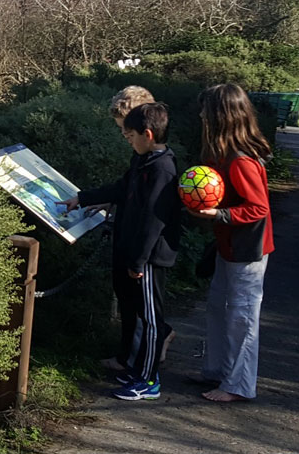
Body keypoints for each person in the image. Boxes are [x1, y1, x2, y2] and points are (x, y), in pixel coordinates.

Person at [61, 103, 182, 400]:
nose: (127, 141)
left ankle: (149, 381)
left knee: (152, 320)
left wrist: (139, 260)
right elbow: (120, 188)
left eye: (130, 137)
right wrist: (83, 197)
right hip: (135, 253)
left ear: (148, 134)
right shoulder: (142, 161)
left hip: (150, 257)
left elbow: (154, 221)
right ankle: (138, 370)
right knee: (140, 314)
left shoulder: (163, 169)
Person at [187, 84, 274, 403]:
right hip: (229, 246)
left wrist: (218, 213)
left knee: (241, 316)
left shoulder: (241, 161)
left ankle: (238, 385)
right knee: (217, 307)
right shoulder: (224, 155)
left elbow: (259, 208)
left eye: (204, 111)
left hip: (247, 250)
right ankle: (216, 370)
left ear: (220, 116)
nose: (199, 115)